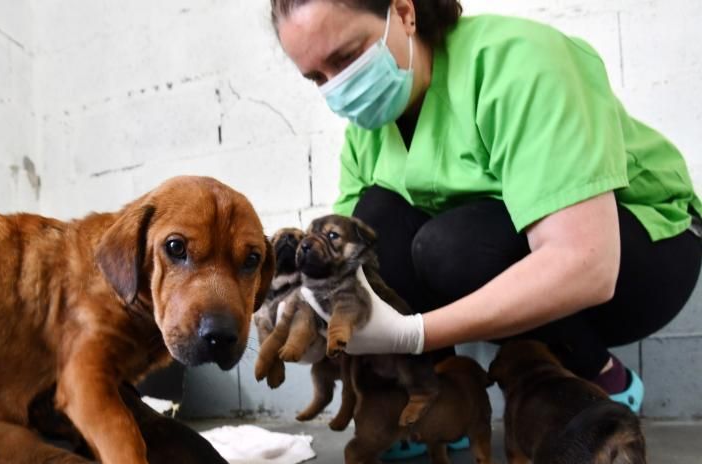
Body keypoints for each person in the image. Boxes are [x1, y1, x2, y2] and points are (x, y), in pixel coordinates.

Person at [271, 0, 702, 415]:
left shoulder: (520, 64)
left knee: (449, 247)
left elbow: (586, 264)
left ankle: (599, 373)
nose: (338, 87)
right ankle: (445, 403)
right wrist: (303, 308)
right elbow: (348, 264)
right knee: (371, 223)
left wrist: (413, 334)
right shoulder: (367, 134)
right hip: (506, 252)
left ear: (403, 13)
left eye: (346, 57)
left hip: (645, 255)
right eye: (317, 77)